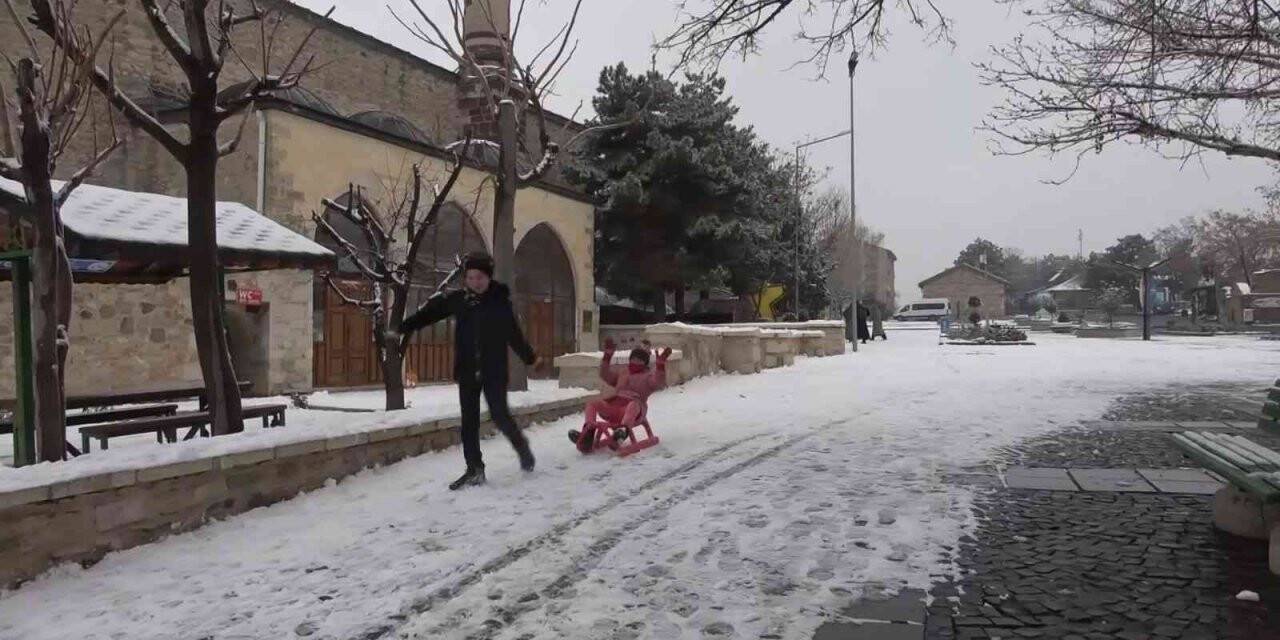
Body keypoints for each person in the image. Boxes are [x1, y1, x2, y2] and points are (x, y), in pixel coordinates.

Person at [398, 252, 539, 490]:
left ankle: (522, 448)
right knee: (469, 422)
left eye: (480, 277)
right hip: (467, 370)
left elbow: (513, 334)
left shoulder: (499, 302)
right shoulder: (459, 300)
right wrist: (404, 326)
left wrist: (531, 358)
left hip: (493, 371)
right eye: (471, 277)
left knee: (499, 415)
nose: (475, 282)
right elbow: (431, 314)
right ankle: (474, 469)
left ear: (488, 278)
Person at [568, 339, 670, 452]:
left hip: (634, 411)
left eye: (639, 360)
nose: (635, 362)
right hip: (614, 408)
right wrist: (607, 357)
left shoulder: (648, 376)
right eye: (633, 359)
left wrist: (660, 366)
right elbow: (606, 375)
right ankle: (588, 432)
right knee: (592, 402)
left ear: (645, 363)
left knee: (633, 405)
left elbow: (658, 382)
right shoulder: (624, 372)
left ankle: (622, 432)